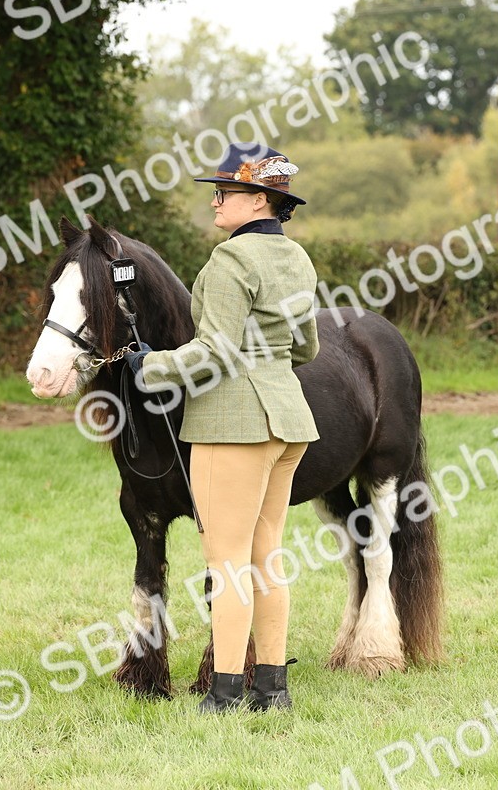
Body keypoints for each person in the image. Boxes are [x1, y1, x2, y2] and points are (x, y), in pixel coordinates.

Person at [125, 143, 320, 713]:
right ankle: (272, 689)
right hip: (289, 421)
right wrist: (268, 363)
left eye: (225, 192)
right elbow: (307, 347)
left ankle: (225, 692)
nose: (215, 201)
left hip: (235, 424)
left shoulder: (230, 261)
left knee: (228, 562)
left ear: (259, 200)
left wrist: (150, 366)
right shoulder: (298, 259)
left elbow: (215, 350)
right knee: (267, 556)